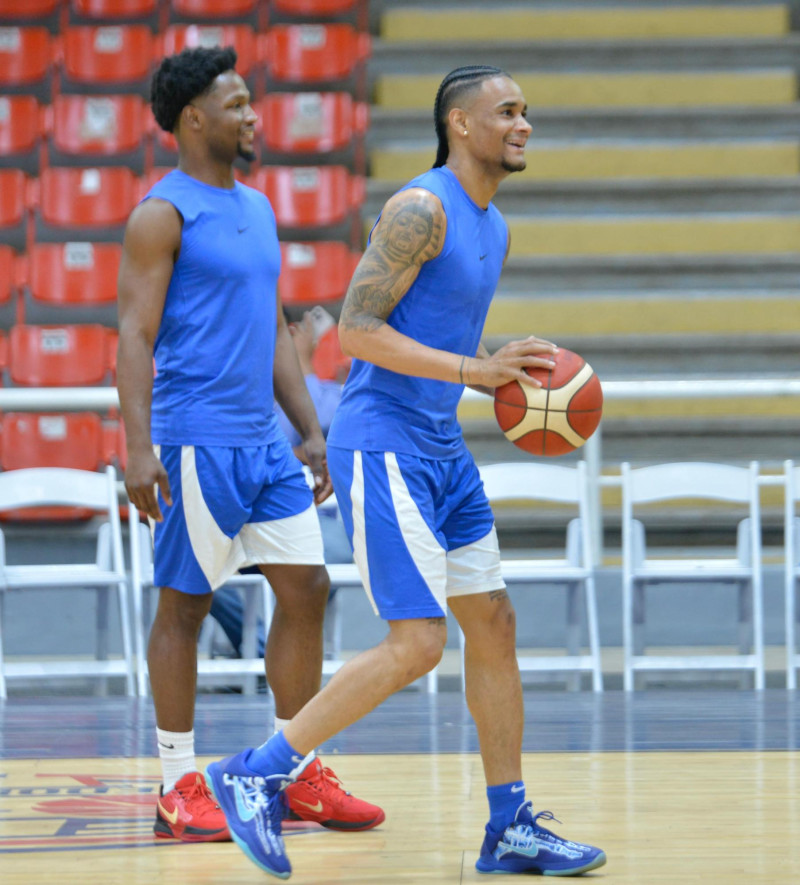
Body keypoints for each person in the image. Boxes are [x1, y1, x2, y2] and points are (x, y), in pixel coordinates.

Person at [205, 65, 607, 878]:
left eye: (527, 111)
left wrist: (488, 371)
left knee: (490, 621)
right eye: (506, 111)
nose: (523, 124)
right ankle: (256, 772)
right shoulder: (421, 208)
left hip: (440, 446)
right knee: (419, 640)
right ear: (460, 124)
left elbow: (446, 346)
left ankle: (510, 826)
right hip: (382, 441)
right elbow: (354, 331)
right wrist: (476, 370)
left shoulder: (492, 222)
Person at [116, 45, 383, 844]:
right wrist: (137, 447)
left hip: (266, 445)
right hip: (196, 440)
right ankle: (175, 783)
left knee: (307, 587)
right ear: (194, 118)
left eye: (250, 103)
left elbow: (272, 332)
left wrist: (310, 429)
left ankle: (292, 770)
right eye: (236, 105)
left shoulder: (259, 208)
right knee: (186, 607)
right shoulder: (161, 214)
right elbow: (133, 334)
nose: (252, 115)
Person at [209, 308, 351, 660]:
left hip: (307, 519)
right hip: (237, 520)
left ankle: (268, 652)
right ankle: (262, 648)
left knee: (326, 559)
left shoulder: (329, 392)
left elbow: (325, 426)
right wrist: (296, 453)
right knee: (193, 565)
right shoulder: (234, 386)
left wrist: (301, 366)